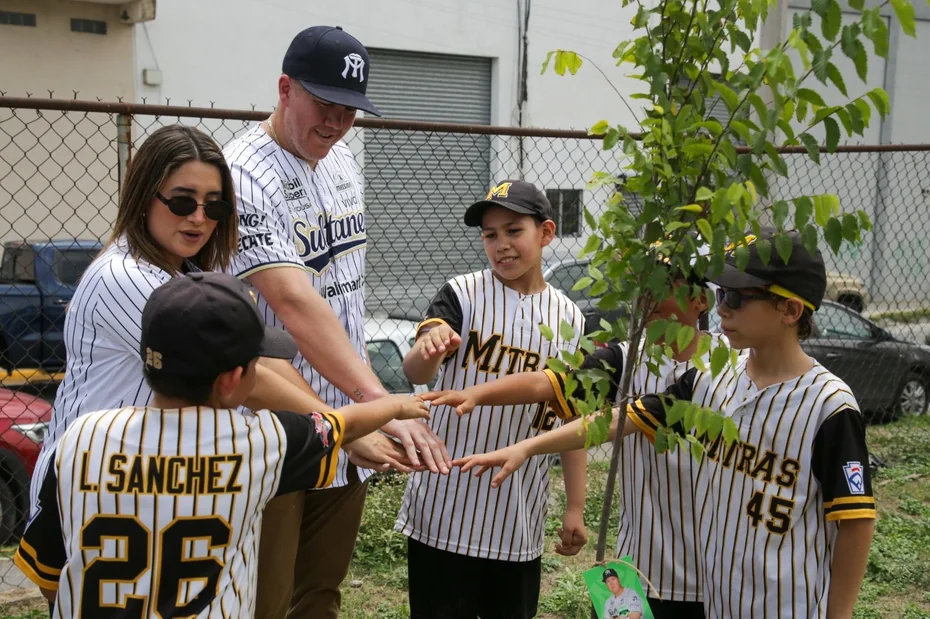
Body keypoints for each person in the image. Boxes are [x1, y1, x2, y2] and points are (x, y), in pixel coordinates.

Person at [454, 228, 877, 619]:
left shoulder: (816, 402)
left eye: (735, 297)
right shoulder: (673, 371)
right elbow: (605, 413)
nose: (648, 297)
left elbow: (856, 521)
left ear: (790, 309)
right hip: (638, 568)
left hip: (719, 586)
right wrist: (520, 439)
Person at [14, 271, 431, 618]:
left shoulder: (81, 439)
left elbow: (48, 573)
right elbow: (342, 423)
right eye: (257, 364)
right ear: (232, 380)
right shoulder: (259, 443)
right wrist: (397, 404)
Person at [221, 24, 450, 619]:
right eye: (324, 103)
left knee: (322, 592)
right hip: (275, 422)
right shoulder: (242, 173)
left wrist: (362, 414)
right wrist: (379, 404)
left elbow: (343, 289)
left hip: (348, 415)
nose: (336, 122)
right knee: (264, 599)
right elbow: (294, 303)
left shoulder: (342, 158)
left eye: (349, 110)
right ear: (285, 89)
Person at [30, 124, 333, 526]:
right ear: (144, 195)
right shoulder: (124, 277)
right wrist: (341, 429)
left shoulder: (188, 274)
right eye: (182, 202)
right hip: (89, 495)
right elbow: (245, 376)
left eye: (215, 206)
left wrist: (333, 421)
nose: (199, 218)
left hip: (149, 483)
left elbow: (258, 359)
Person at [425, 242, 720, 618]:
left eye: (662, 285)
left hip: (712, 572)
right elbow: (549, 383)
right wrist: (475, 394)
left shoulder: (726, 371)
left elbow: (611, 422)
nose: (646, 297)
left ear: (701, 300)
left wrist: (528, 447)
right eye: (641, 285)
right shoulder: (627, 358)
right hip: (636, 566)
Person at [394, 180, 589, 619]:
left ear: (546, 232)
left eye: (513, 230)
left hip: (517, 515)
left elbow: (572, 416)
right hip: (444, 507)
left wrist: (576, 506)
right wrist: (430, 347)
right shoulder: (462, 293)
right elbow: (416, 373)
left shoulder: (570, 319)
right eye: (490, 234)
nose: (501, 245)